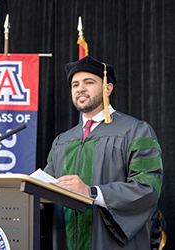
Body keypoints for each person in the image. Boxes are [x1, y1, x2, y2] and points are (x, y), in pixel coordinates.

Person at [44, 56, 164, 250]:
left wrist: (91, 193)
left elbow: (148, 189)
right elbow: (46, 190)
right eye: (75, 85)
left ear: (107, 88)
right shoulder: (62, 141)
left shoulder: (135, 131)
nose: (80, 88)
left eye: (88, 82)